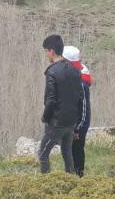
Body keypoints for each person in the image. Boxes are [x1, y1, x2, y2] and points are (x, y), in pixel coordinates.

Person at [39, 34, 83, 174]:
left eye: (46, 51)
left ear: (51, 51)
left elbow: (51, 100)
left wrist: (45, 117)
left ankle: (45, 183)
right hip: (71, 121)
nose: (46, 54)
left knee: (43, 153)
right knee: (67, 153)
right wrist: (77, 120)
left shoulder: (52, 72)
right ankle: (69, 179)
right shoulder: (75, 70)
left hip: (56, 122)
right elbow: (80, 98)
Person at [65, 46, 91, 176]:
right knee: (70, 150)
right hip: (73, 122)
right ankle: (72, 174)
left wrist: (77, 129)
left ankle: (79, 176)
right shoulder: (79, 72)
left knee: (77, 149)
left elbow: (83, 108)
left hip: (79, 124)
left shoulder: (80, 81)